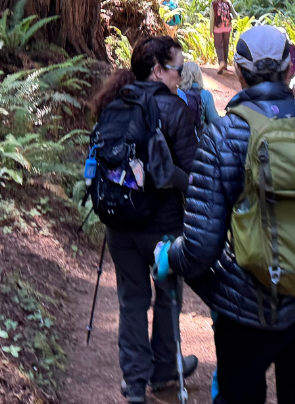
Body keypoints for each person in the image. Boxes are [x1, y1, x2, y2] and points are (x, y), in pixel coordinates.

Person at [156, 24, 295, 404]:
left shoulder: (224, 136)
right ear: (289, 68)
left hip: (249, 310)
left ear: (240, 74)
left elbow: (201, 248)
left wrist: (168, 256)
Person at [88, 36, 202, 402]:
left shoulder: (114, 102)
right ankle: (164, 369)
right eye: (177, 69)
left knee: (132, 300)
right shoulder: (173, 109)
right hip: (163, 227)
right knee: (168, 296)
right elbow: (193, 172)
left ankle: (135, 382)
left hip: (118, 222)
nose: (180, 77)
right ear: (157, 70)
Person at [178, 59, 221, 134]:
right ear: (198, 75)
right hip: (199, 138)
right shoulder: (205, 94)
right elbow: (214, 121)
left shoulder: (177, 93)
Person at [209, 0, 236, 73]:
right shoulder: (228, 3)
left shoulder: (213, 4)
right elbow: (235, 15)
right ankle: (225, 65)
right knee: (225, 45)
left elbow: (212, 18)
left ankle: (221, 62)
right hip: (227, 27)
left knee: (218, 45)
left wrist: (210, 30)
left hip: (217, 28)